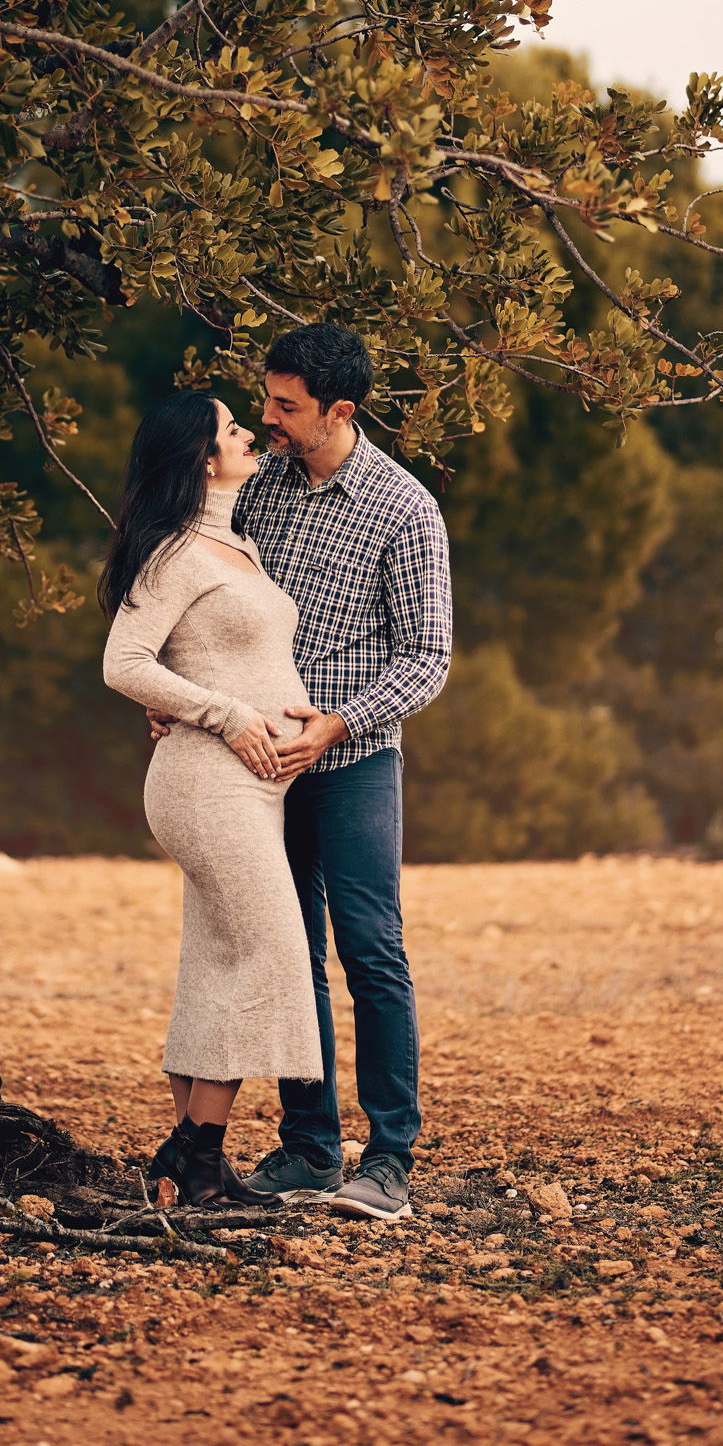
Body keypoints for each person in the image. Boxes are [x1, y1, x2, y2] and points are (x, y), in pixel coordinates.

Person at [152, 323, 453, 1222]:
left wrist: (336, 726)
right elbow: (208, 600)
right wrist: (178, 691)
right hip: (252, 767)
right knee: (289, 953)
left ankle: (389, 1160)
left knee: (370, 951)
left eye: (287, 406)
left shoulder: (404, 508)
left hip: (353, 759)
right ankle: (310, 1147)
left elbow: (427, 657)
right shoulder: (260, 492)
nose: (268, 418)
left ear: (339, 411)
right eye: (267, 400)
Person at [101, 389, 322, 1207]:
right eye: (233, 428)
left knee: (216, 961)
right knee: (269, 952)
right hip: (205, 782)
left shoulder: (231, 545)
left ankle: (197, 1170)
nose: (249, 434)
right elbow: (124, 664)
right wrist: (223, 714)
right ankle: (190, 1149)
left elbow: (199, 659)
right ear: (202, 458)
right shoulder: (173, 554)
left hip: (246, 789)